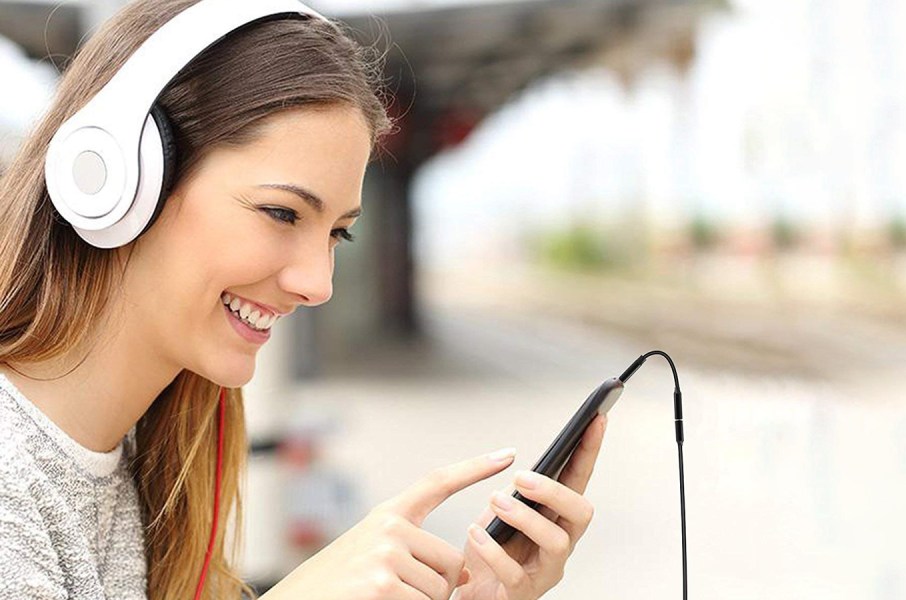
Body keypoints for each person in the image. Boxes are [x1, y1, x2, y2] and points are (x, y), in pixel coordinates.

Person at [0, 1, 609, 599]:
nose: (318, 284)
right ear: (114, 179)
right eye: (281, 212)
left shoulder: (158, 459)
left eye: (337, 233)